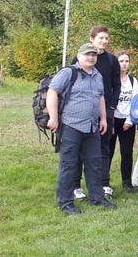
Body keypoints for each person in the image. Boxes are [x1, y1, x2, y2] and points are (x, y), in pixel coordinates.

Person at [47, 42, 116, 215]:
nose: (91, 57)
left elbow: (100, 97)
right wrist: (54, 118)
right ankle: (66, 202)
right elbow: (52, 92)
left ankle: (98, 198)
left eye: (93, 55)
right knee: (69, 164)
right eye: (87, 55)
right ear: (79, 56)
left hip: (92, 127)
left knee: (94, 164)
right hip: (71, 125)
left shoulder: (97, 75)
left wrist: (103, 119)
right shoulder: (69, 73)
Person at [70, 26, 121, 200]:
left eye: (106, 38)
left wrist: (111, 108)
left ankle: (103, 184)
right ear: (92, 39)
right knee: (78, 149)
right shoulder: (79, 58)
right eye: (101, 38)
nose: (104, 41)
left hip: (105, 111)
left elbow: (116, 85)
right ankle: (75, 186)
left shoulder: (112, 60)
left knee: (104, 149)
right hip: (82, 112)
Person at [112, 51, 138, 192]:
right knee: (107, 152)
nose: (124, 64)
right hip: (112, 119)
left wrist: (130, 121)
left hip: (127, 121)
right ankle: (104, 183)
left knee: (127, 152)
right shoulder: (111, 79)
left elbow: (135, 103)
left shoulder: (133, 81)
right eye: (121, 61)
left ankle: (127, 183)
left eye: (126, 61)